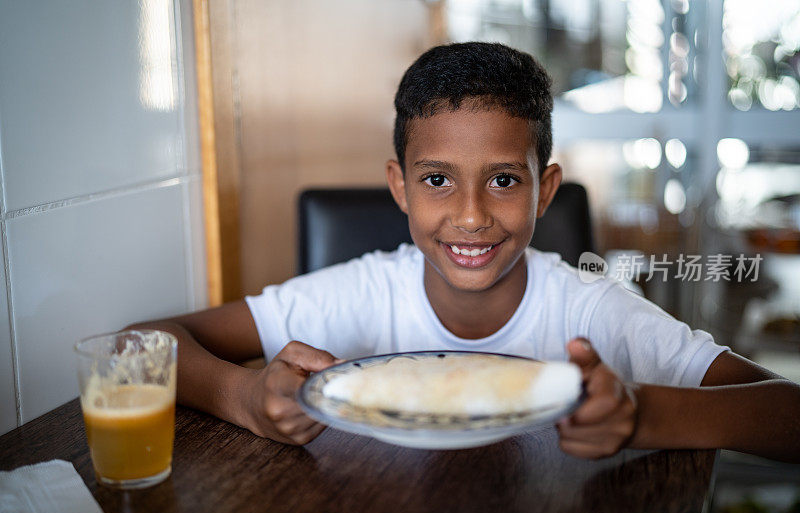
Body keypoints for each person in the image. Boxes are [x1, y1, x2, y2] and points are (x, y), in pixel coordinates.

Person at [131, 42, 800, 462]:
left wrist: (643, 413)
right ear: (400, 186)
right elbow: (140, 343)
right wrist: (243, 393)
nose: (471, 215)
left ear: (546, 191)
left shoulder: (594, 312)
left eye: (504, 180)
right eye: (437, 180)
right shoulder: (358, 295)